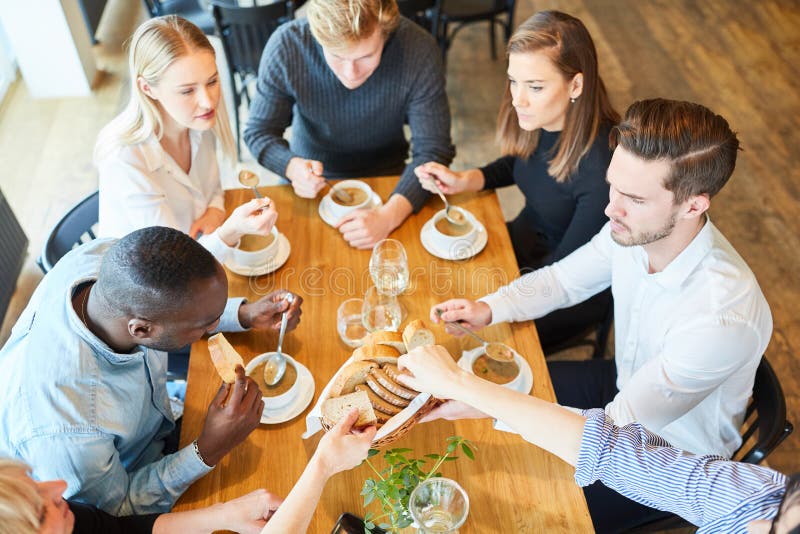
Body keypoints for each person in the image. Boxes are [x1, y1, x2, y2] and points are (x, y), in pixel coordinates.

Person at [429, 99, 773, 531]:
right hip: (625, 384)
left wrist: (484, 401)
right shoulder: (634, 227)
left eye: (633, 198)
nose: (612, 208)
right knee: (481, 415)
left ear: (693, 206)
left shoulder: (721, 317)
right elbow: (562, 281)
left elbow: (610, 437)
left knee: (508, 508)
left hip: (670, 457)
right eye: (614, 186)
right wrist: (490, 307)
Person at [0, 227, 298, 516]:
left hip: (162, 423)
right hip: (133, 483)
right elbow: (116, 510)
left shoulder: (109, 258)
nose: (212, 328)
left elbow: (175, 305)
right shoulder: (68, 431)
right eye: (205, 324)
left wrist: (242, 314)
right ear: (141, 329)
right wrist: (207, 449)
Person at [395, 345, 797, 534]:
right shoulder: (758, 498)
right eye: (781, 515)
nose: (759, 526)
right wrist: (488, 402)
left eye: (779, 532)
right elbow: (612, 452)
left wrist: (460, 383)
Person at [415, 11, 618, 351]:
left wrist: (493, 296)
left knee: (464, 343)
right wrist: (465, 179)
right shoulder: (543, 118)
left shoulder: (602, 169)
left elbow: (563, 275)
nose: (517, 98)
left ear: (576, 85)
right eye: (513, 81)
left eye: (535, 86)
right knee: (435, 277)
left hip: (564, 290)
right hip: (523, 249)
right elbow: (523, 163)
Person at [94, 15, 300, 336]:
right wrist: (230, 230)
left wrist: (217, 209)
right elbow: (175, 276)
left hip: (198, 270)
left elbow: (213, 187)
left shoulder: (198, 122)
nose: (208, 100)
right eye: (187, 90)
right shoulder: (126, 161)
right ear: (148, 88)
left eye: (213, 81)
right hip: (151, 310)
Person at [244, 0, 455, 249]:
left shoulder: (418, 49)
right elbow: (259, 132)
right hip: (308, 182)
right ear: (317, 34)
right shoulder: (288, 44)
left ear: (386, 32)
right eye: (336, 55)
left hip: (392, 182)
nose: (350, 73)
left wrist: (389, 216)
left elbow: (434, 150)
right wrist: (290, 167)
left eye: (366, 56)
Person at [0, 409, 376, 534]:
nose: (58, 487)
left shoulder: (67, 519)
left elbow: (120, 529)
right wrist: (324, 464)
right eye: (39, 508)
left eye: (34, 481)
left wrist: (224, 514)